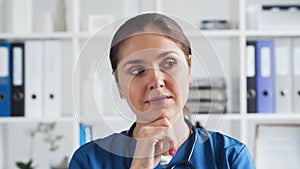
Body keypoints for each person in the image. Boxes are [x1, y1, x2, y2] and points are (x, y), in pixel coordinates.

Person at [69, 13, 256, 169]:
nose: (156, 81)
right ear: (118, 83)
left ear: (189, 68)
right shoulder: (89, 161)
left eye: (169, 63)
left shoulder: (230, 157)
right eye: (137, 70)